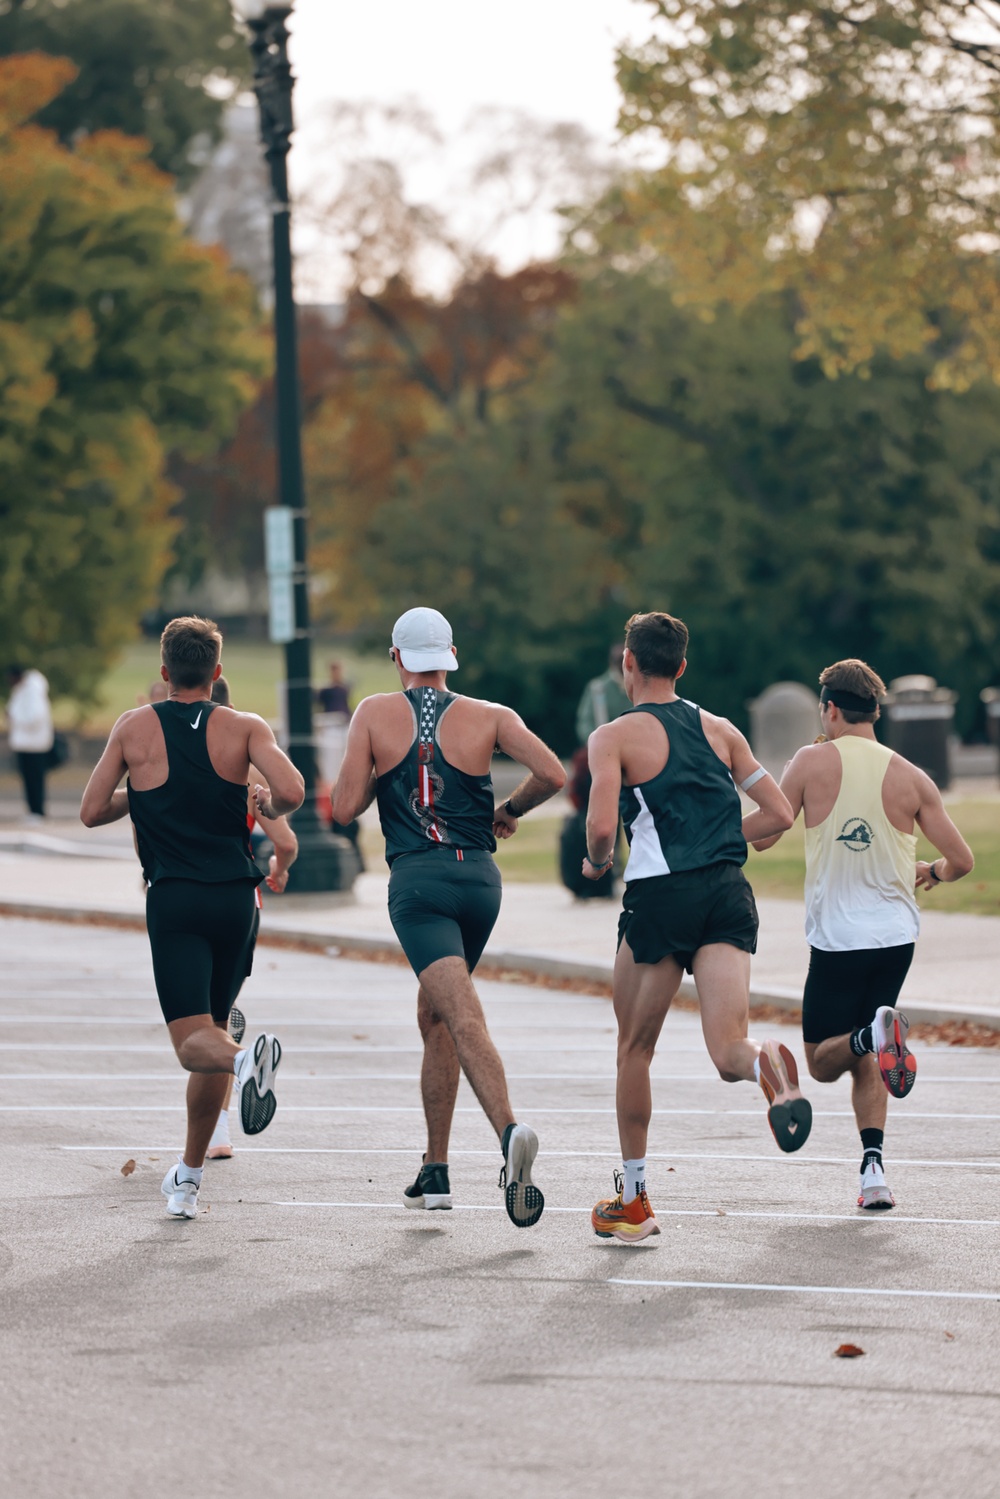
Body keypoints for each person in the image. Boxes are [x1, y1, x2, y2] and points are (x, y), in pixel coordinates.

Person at [331, 606, 566, 1227]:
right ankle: (434, 1170)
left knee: (459, 1015)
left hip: (419, 885)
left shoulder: (375, 714)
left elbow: (345, 805)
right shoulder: (490, 715)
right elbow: (553, 773)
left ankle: (510, 1131)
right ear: (450, 656)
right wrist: (508, 807)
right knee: (433, 1012)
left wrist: (386, 771)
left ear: (396, 659)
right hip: (479, 883)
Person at [584, 611, 805, 1244]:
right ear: (681, 666)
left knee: (635, 1048)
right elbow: (781, 812)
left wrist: (596, 863)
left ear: (629, 662)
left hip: (660, 898)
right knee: (728, 1049)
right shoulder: (722, 730)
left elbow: (602, 832)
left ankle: (634, 1202)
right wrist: (716, 843)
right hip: (727, 895)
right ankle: (767, 1065)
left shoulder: (613, 736)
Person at [81, 616, 304, 1220]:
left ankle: (246, 1062)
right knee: (213, 1033)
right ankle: (188, 1178)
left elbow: (91, 810)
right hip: (235, 901)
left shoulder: (134, 727)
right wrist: (265, 801)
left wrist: (150, 792)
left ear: (163, 672)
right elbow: (294, 791)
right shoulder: (245, 727)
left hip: (176, 899)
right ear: (217, 671)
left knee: (195, 1047)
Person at [750, 658, 974, 1210]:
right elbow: (962, 860)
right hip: (897, 938)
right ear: (874, 711)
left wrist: (710, 838)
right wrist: (934, 873)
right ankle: (873, 1172)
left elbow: (765, 838)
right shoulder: (911, 774)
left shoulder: (809, 761)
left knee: (824, 1063)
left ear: (829, 709)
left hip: (838, 940)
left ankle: (870, 1037)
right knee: (875, 1046)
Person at [203, 673, 300, 1161]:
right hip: (241, 899)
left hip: (180, 895)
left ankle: (213, 1129)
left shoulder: (164, 760)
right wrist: (278, 870)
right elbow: (285, 842)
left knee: (196, 1028)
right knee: (216, 1019)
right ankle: (219, 1131)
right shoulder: (247, 768)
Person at [6, 664, 55, 821]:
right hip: (26, 743)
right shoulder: (22, 690)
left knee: (35, 780)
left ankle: (38, 811)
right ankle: (33, 810)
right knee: (29, 779)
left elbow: (35, 717)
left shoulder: (32, 690)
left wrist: (15, 719)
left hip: (34, 745)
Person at [575, 642, 631, 746]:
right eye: (619, 660)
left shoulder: (642, 685)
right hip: (604, 748)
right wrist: (598, 744)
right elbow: (585, 723)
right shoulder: (597, 688)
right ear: (612, 661)